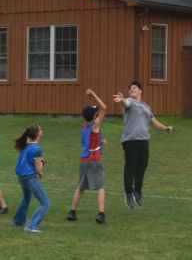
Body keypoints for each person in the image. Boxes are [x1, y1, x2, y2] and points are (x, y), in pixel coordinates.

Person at [113, 81, 173, 208]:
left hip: (143, 140)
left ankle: (137, 190)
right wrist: (122, 99)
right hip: (130, 140)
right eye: (130, 88)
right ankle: (128, 193)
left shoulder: (146, 106)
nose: (131, 89)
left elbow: (153, 121)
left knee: (142, 166)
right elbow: (125, 104)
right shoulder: (129, 101)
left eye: (134, 88)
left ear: (140, 91)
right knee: (131, 166)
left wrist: (165, 128)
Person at [67, 89, 108, 224]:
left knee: (80, 187)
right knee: (101, 186)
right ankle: (100, 214)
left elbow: (89, 140)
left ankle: (72, 212)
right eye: (95, 113)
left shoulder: (84, 126)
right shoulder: (94, 124)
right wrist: (94, 95)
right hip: (94, 160)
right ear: (94, 116)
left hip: (83, 160)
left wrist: (100, 142)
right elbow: (104, 108)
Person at [11, 124, 49, 233]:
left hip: (21, 177)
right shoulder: (36, 149)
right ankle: (31, 226)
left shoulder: (26, 142)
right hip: (29, 179)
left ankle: (17, 220)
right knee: (45, 203)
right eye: (40, 128)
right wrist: (41, 163)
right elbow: (37, 169)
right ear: (38, 133)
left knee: (26, 198)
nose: (42, 128)